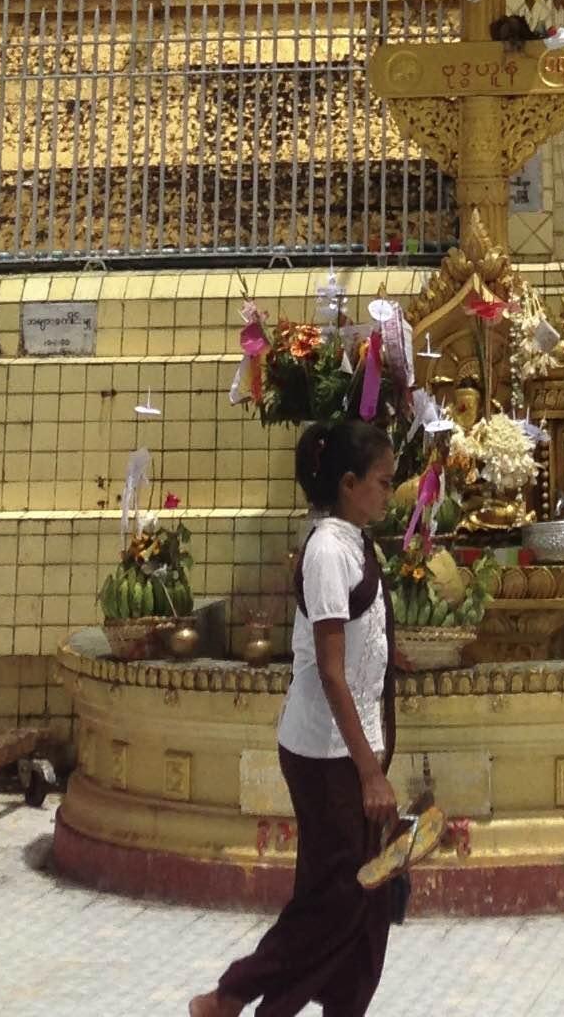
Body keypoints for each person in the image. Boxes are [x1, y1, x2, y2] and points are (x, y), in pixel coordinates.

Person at [191, 415, 401, 1017]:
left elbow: (360, 637)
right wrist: (369, 773)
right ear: (347, 484)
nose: (391, 491)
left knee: (365, 898)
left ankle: (335, 1006)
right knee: (335, 899)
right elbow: (331, 671)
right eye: (382, 482)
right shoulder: (328, 552)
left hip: (354, 747)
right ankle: (232, 994)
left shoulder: (356, 540)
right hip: (327, 753)